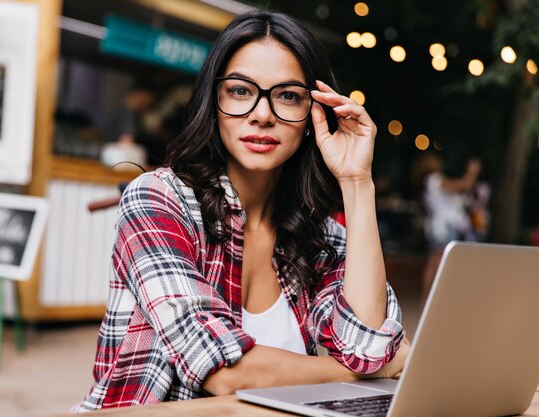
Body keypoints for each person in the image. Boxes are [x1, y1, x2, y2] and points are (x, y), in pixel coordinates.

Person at [76, 11, 407, 411]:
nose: (262, 114)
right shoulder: (158, 200)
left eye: (288, 95)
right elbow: (222, 371)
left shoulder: (318, 234)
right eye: (240, 90)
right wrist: (367, 374)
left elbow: (368, 347)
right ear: (213, 103)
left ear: (313, 115)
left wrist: (357, 183)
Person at [412, 152, 483, 302]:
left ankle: (427, 299)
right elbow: (461, 186)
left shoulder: (428, 181)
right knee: (438, 262)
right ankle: (430, 299)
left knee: (435, 260)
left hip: (438, 225)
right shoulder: (434, 179)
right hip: (442, 227)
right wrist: (472, 173)